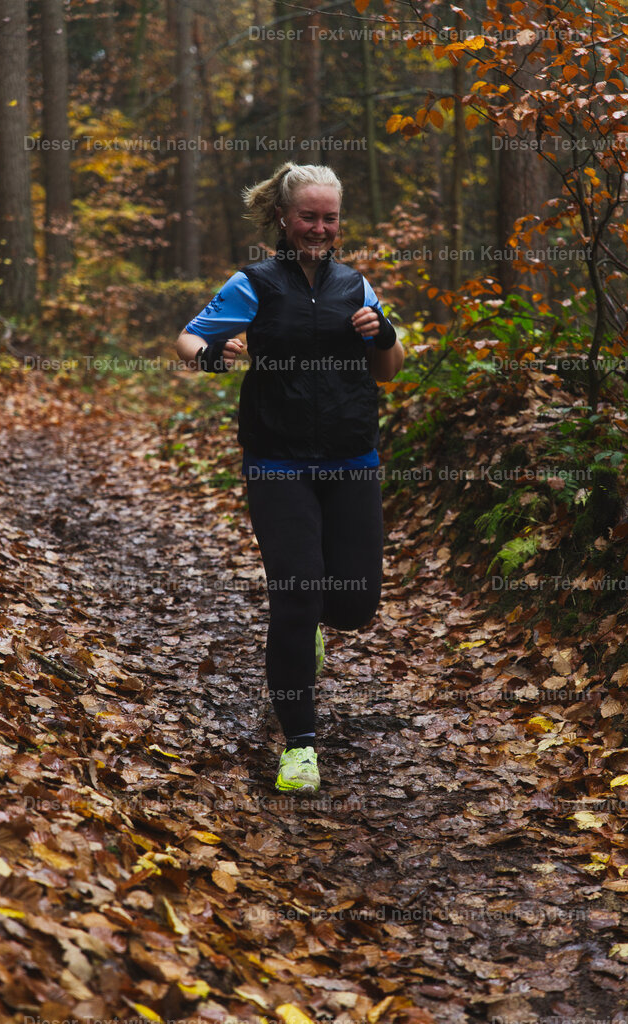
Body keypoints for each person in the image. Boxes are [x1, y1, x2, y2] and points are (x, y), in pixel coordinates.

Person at [175, 162, 404, 793]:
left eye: (330, 218)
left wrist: (382, 331)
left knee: (355, 606)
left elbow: (388, 368)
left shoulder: (355, 283)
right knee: (297, 597)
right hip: (276, 458)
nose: (320, 228)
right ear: (283, 216)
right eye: (309, 216)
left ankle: (311, 636)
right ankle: (299, 745)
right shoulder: (255, 283)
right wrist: (216, 357)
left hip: (351, 455)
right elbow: (188, 339)